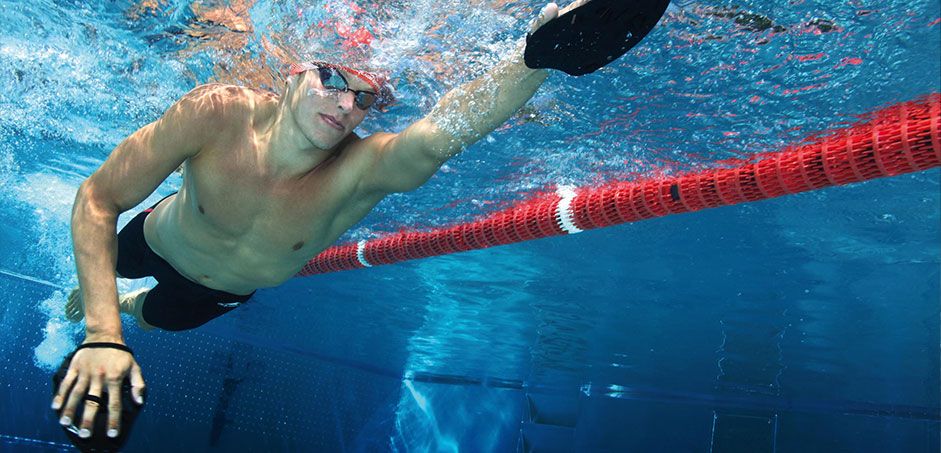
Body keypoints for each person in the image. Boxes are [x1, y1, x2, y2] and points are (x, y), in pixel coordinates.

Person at [51, 0, 672, 443]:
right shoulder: (216, 115)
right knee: (107, 274)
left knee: (156, 318)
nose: (346, 105)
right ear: (294, 71)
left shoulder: (360, 170)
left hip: (220, 294)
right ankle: (106, 306)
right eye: (331, 79)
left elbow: (436, 137)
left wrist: (533, 59)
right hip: (160, 237)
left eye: (363, 96)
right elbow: (98, 200)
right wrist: (101, 335)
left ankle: (129, 307)